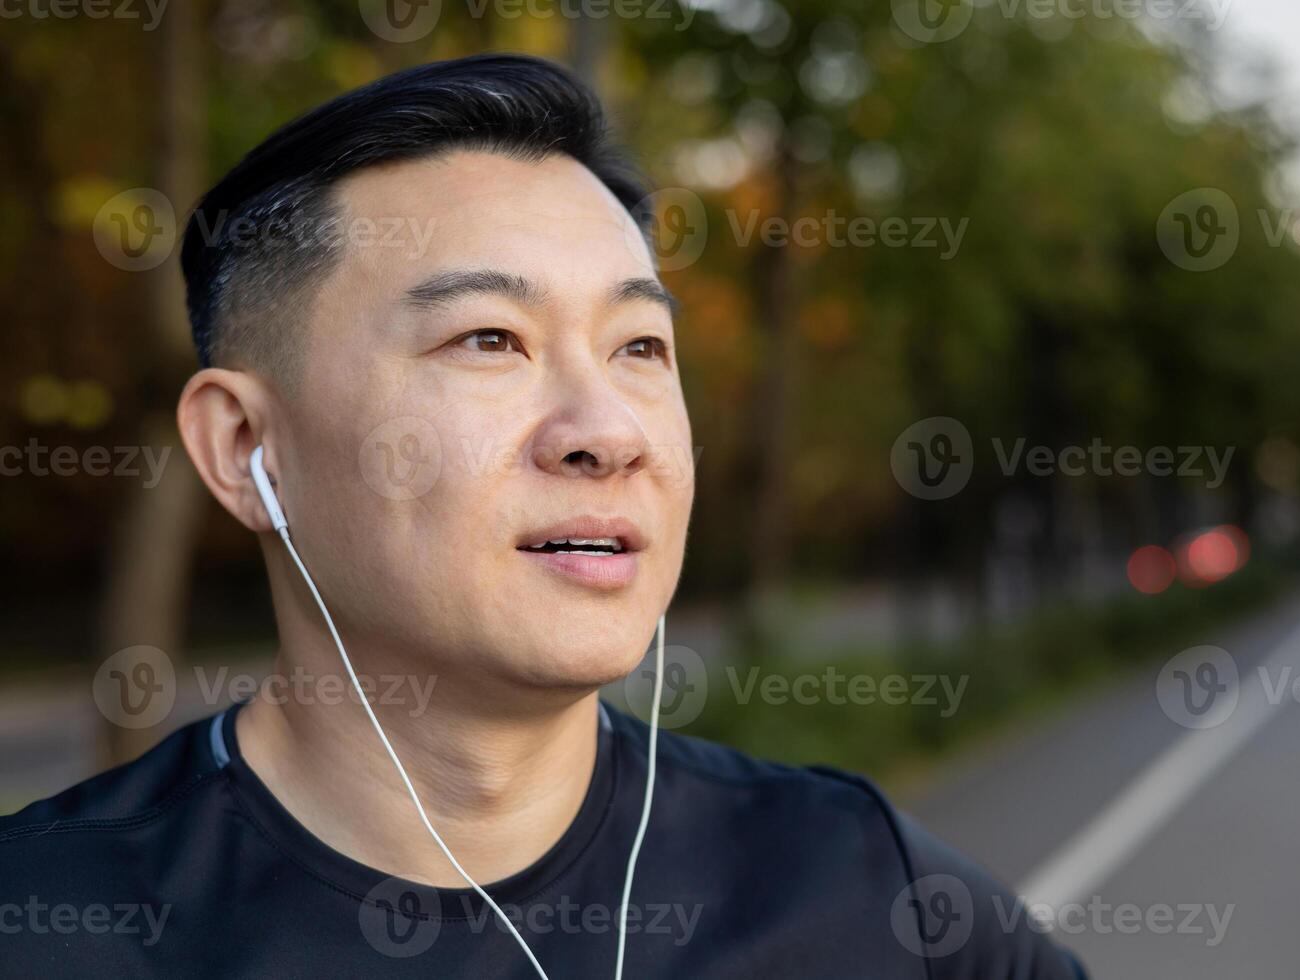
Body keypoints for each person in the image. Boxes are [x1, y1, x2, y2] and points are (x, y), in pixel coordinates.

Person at [0, 53, 1086, 978]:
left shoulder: (869, 893)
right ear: (244, 447)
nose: (606, 430)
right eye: (489, 338)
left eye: (640, 347)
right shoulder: (50, 926)